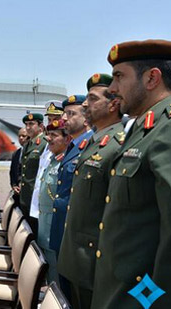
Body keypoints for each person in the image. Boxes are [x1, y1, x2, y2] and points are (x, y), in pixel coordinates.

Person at [91, 40, 171, 308]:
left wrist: (148, 299)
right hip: (116, 288)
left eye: (119, 77)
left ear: (151, 78)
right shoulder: (144, 127)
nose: (112, 89)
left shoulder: (166, 129)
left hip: (136, 297)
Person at [57, 74, 124, 309]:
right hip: (74, 259)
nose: (85, 104)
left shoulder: (119, 145)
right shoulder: (93, 143)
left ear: (114, 104)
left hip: (93, 264)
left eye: (93, 99)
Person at [49, 95, 93, 296]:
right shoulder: (74, 146)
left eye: (70, 114)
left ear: (86, 119)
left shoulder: (92, 145)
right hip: (63, 230)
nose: (64, 118)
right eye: (64, 113)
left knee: (75, 295)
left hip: (78, 237)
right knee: (64, 289)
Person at [37, 119, 70, 285]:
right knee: (49, 266)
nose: (48, 138)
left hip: (54, 227)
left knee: (56, 271)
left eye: (54, 135)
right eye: (48, 134)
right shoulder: (52, 159)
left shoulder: (66, 163)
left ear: (67, 139)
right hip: (44, 224)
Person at [29, 101, 64, 225]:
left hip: (52, 212)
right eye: (49, 119)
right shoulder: (47, 145)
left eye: (56, 119)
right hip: (39, 208)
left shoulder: (66, 146)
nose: (52, 123)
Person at [18, 113, 47, 236]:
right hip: (25, 196)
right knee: (26, 231)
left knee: (34, 233)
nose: (28, 127)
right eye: (26, 124)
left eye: (31, 124)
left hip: (35, 198)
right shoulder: (28, 144)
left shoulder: (44, 143)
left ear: (40, 126)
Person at [9, 127, 29, 205]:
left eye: (23, 136)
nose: (21, 138)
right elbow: (12, 172)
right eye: (19, 136)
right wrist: (14, 185)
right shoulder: (16, 153)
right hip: (17, 193)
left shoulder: (34, 153)